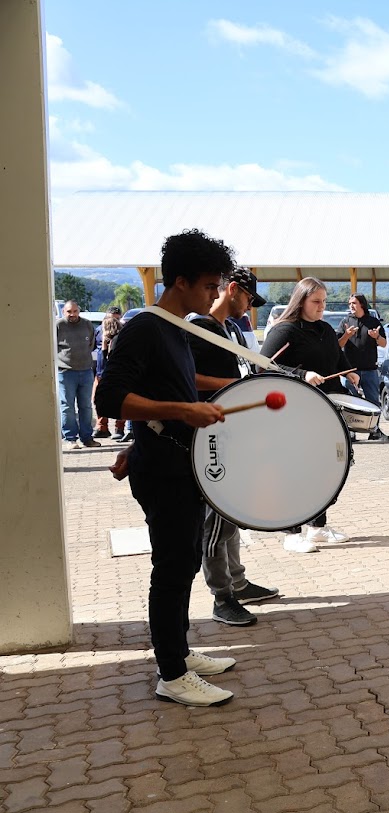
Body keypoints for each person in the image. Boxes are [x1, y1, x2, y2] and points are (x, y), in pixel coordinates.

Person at [95, 228, 236, 707]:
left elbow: (176, 379)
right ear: (180, 281)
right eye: (209, 285)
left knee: (186, 561)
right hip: (165, 470)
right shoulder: (145, 326)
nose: (215, 294)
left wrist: (228, 388)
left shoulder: (175, 327)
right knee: (172, 569)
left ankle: (179, 651)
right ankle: (171, 674)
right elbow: (109, 396)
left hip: (174, 462)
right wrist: (183, 412)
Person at [188, 267, 280, 625]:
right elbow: (189, 377)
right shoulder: (199, 329)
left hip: (230, 431)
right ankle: (221, 597)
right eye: (249, 299)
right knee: (216, 517)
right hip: (210, 435)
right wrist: (235, 383)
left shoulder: (232, 331)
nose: (250, 307)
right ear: (234, 290)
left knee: (231, 512)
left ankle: (237, 583)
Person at [261, 277, 359, 552]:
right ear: (300, 300)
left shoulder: (326, 330)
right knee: (293, 470)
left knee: (324, 470)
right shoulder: (284, 331)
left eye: (324, 302)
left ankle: (317, 526)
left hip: (325, 409)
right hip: (294, 410)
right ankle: (290, 532)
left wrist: (349, 370)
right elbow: (265, 367)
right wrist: (303, 375)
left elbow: (336, 356)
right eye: (316, 302)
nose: (321, 307)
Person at [339, 293, 389, 442]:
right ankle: (351, 432)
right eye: (350, 303)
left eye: (354, 303)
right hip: (349, 371)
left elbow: (384, 343)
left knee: (373, 402)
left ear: (362, 304)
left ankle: (374, 430)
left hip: (369, 369)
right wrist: (347, 335)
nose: (351, 306)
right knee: (349, 403)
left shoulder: (373, 321)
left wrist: (376, 337)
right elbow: (338, 345)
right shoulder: (345, 322)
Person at [56, 300, 100, 449]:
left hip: (86, 371)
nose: (72, 314)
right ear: (64, 312)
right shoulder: (58, 326)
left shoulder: (87, 324)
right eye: (69, 312)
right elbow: (52, 347)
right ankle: (70, 438)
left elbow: (92, 344)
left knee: (86, 406)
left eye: (75, 311)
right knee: (67, 406)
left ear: (78, 311)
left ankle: (87, 438)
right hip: (66, 372)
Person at [95, 306, 124, 439]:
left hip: (117, 374)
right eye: (111, 319)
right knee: (98, 399)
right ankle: (102, 427)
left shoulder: (121, 335)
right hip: (101, 372)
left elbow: (110, 357)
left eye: (117, 319)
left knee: (119, 401)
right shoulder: (98, 331)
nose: (114, 322)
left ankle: (119, 428)